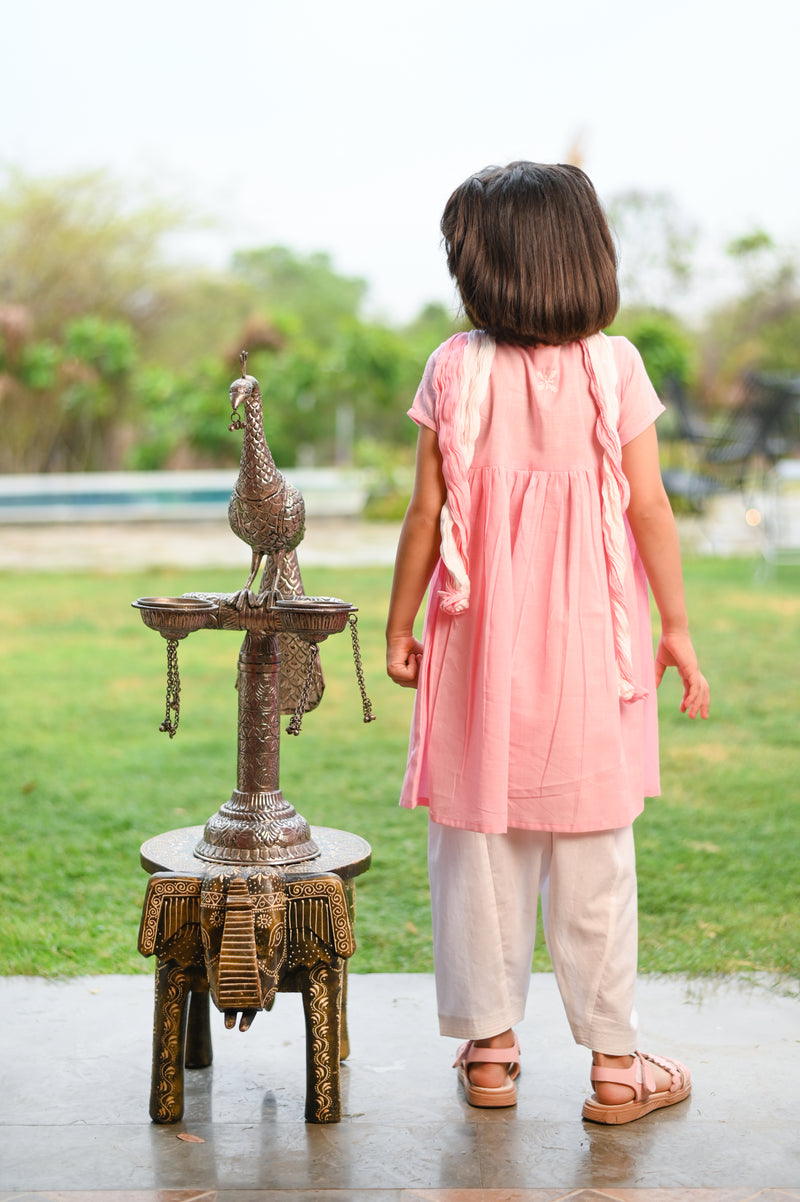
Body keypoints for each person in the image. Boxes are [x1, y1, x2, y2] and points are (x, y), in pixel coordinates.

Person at [385, 161, 710, 1123]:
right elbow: (649, 505)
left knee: (478, 840)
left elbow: (425, 510)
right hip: (590, 648)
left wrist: (401, 624)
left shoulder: (456, 366)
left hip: (479, 646)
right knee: (596, 848)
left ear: (488, 269)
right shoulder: (616, 366)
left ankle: (490, 1054)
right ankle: (616, 1068)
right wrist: (678, 628)